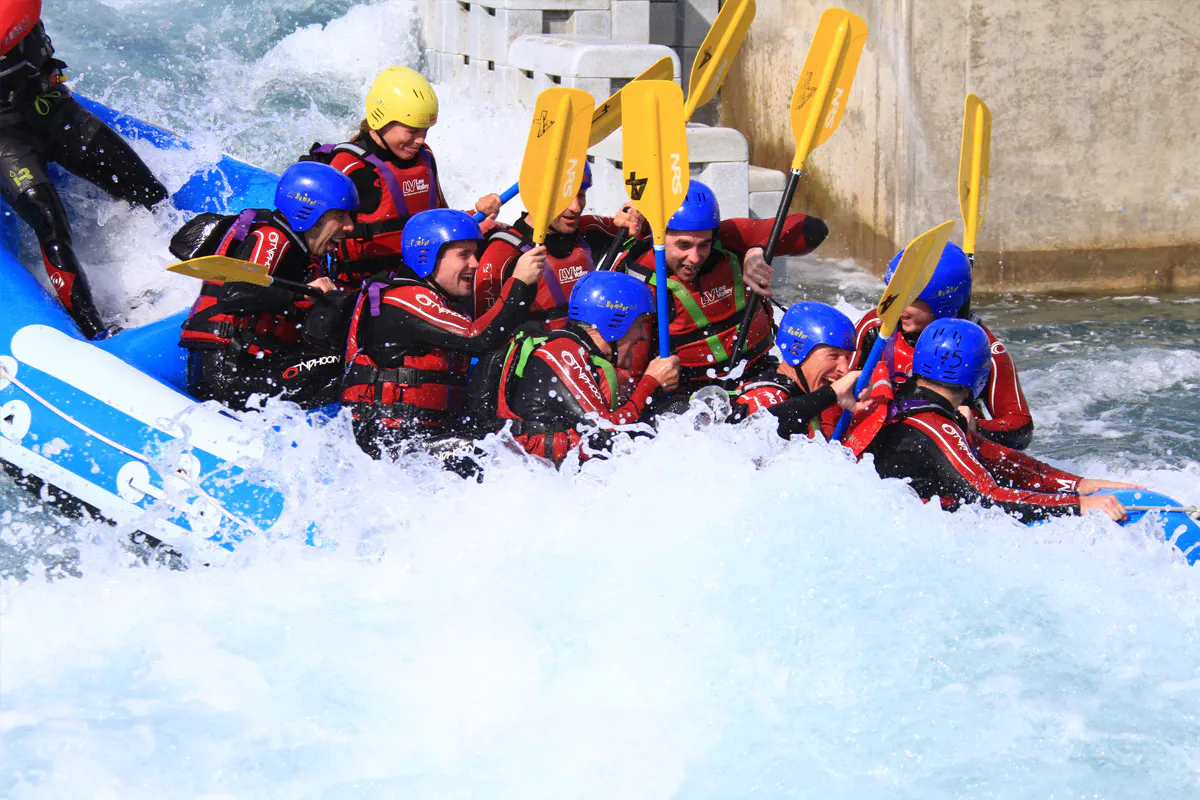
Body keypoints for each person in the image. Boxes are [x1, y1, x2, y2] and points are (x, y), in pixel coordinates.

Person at [844, 318, 1138, 523]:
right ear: (978, 376)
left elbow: (996, 457)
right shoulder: (936, 426)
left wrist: (1076, 484)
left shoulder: (905, 401)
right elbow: (988, 497)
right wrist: (1078, 506)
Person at [0, 1, 168, 339]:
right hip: (6, 137)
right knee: (50, 224)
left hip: (54, 108)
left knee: (148, 192)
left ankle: (183, 273)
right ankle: (93, 330)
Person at [341, 208, 542, 459]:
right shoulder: (403, 299)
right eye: (463, 255)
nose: (475, 264)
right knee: (495, 454)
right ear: (426, 257)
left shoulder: (439, 302)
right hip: (388, 445)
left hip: (423, 437)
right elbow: (479, 337)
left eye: (475, 254)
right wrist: (519, 281)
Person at [617, 181, 828, 392]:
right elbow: (629, 376)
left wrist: (757, 249)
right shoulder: (638, 284)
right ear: (658, 236)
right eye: (683, 245)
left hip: (759, 373)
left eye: (704, 244)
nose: (694, 257)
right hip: (689, 394)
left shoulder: (730, 239)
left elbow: (813, 229)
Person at [178, 162, 357, 411]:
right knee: (343, 367)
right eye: (340, 216)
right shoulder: (271, 238)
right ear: (308, 212)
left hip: (255, 364)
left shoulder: (309, 254)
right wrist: (304, 293)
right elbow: (236, 295)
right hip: (226, 374)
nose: (350, 226)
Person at [310, 66, 500, 289]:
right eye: (412, 131)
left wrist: (477, 213)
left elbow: (439, 221)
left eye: (425, 130)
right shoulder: (349, 166)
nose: (420, 140)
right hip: (363, 289)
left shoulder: (425, 157)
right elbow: (314, 236)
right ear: (381, 121)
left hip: (418, 282)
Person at [853, 241, 1035, 450]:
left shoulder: (984, 349)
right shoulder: (875, 329)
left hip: (952, 448)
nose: (897, 305)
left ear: (942, 301)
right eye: (894, 294)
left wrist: (977, 427)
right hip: (889, 442)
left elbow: (1021, 428)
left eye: (910, 298)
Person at [487, 271, 680, 464]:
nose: (643, 336)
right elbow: (605, 438)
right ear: (614, 324)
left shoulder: (583, 354)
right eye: (639, 324)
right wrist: (650, 384)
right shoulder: (563, 353)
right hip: (536, 473)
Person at [472, 161, 644, 329]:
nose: (576, 207)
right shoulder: (502, 253)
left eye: (581, 194)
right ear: (536, 195)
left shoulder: (589, 229)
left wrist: (635, 217)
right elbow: (484, 336)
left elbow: (655, 237)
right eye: (565, 196)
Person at [733, 301, 869, 439]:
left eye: (847, 357)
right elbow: (755, 435)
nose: (845, 370)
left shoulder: (809, 391)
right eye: (833, 356)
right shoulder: (762, 397)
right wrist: (831, 393)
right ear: (797, 352)